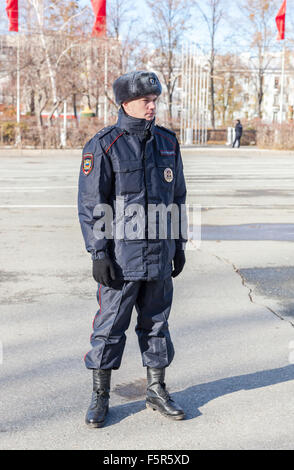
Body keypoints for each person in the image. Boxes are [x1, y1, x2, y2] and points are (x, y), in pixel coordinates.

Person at [78, 70, 187, 428]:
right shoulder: (104, 144)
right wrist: (99, 253)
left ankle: (156, 389)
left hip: (159, 253)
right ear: (126, 104)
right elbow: (93, 203)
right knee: (109, 328)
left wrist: (179, 244)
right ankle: (100, 395)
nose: (153, 106)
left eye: (155, 100)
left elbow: (178, 198)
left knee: (157, 324)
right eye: (146, 101)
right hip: (122, 259)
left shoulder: (168, 143)